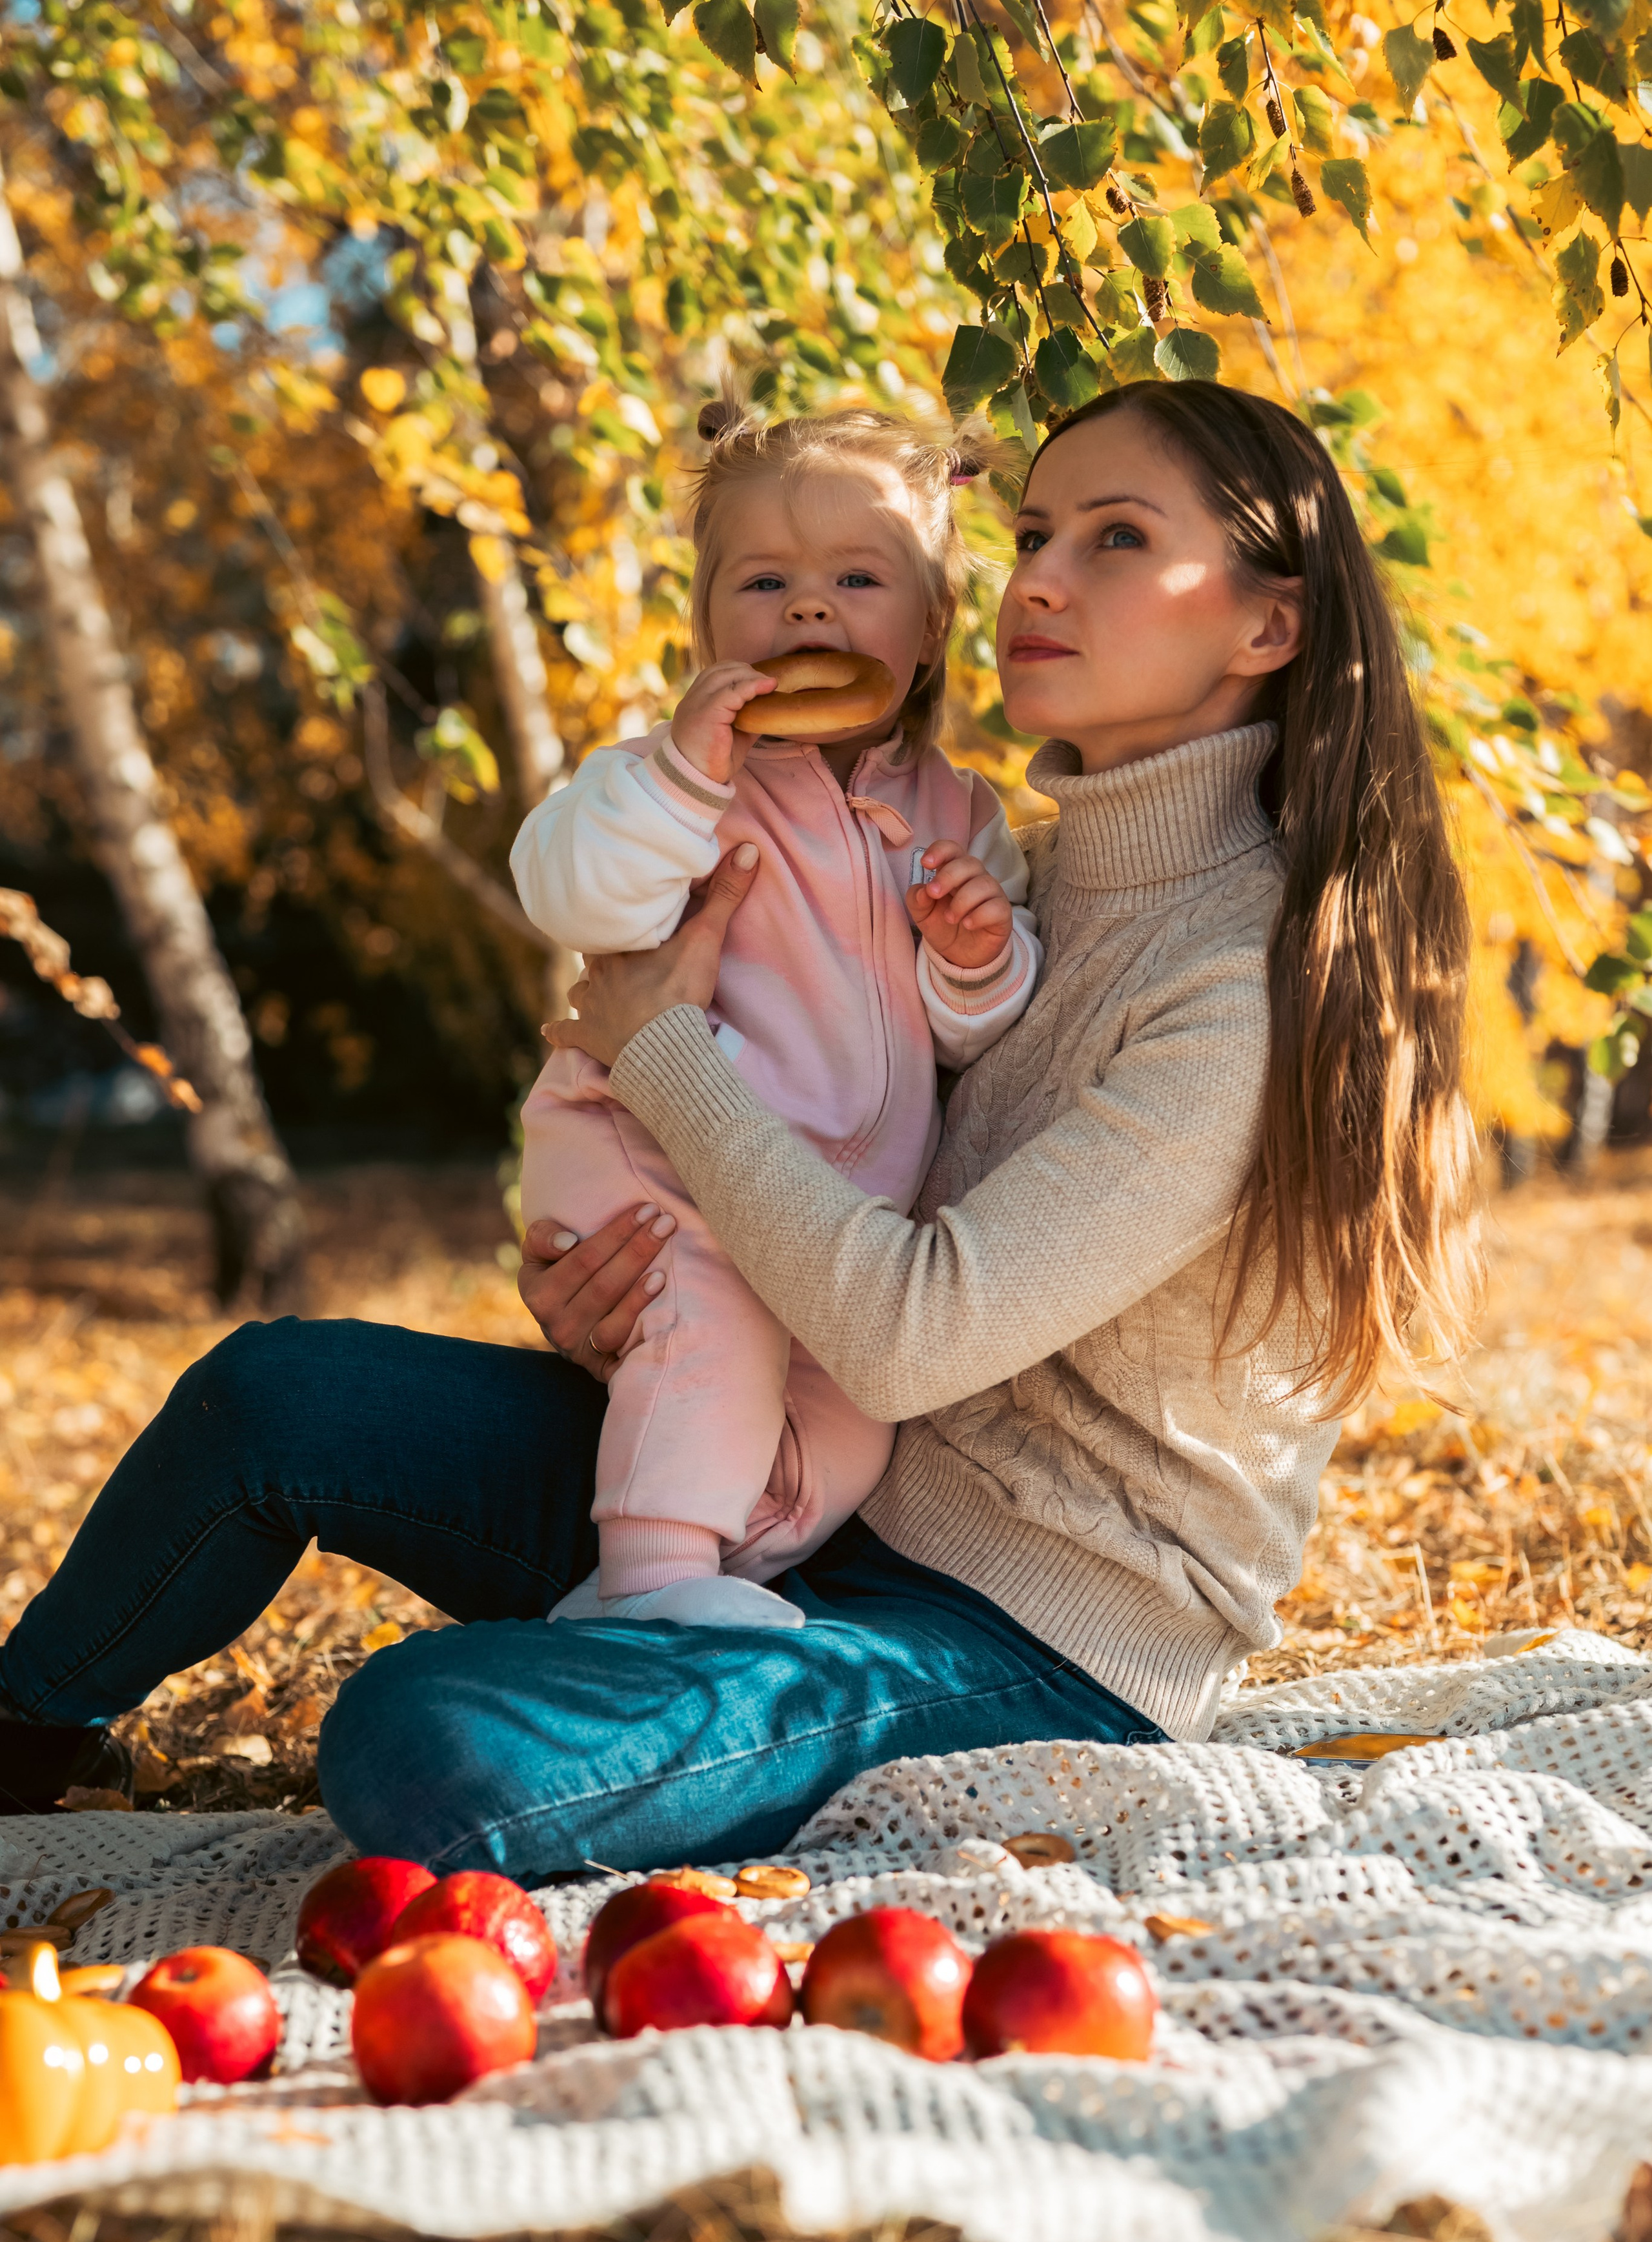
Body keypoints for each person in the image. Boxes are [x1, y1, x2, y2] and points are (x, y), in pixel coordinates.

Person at [0, 382, 1481, 1884]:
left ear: (1266, 627)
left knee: (424, 1738)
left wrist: (657, 1052)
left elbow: (907, 1331)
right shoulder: (990, 872)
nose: (1036, 574)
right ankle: (23, 1726)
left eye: (1113, 538)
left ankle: (642, 1684)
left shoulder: (1244, 984)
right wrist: (639, 1300)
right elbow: (800, 1126)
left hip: (1031, 1636)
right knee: (275, 1396)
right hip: (806, 1475)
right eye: (1033, 529)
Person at [512, 403, 1040, 1632]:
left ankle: (720, 1566)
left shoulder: (961, 815)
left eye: (858, 578)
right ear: (705, 627)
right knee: (714, 1331)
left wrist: (974, 957)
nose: (810, 611)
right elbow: (574, 894)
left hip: (837, 1210)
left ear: (925, 633)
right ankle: (652, 1574)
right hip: (658, 1156)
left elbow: (975, 1032)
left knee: (856, 1404)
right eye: (765, 582)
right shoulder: (668, 777)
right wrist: (685, 776)